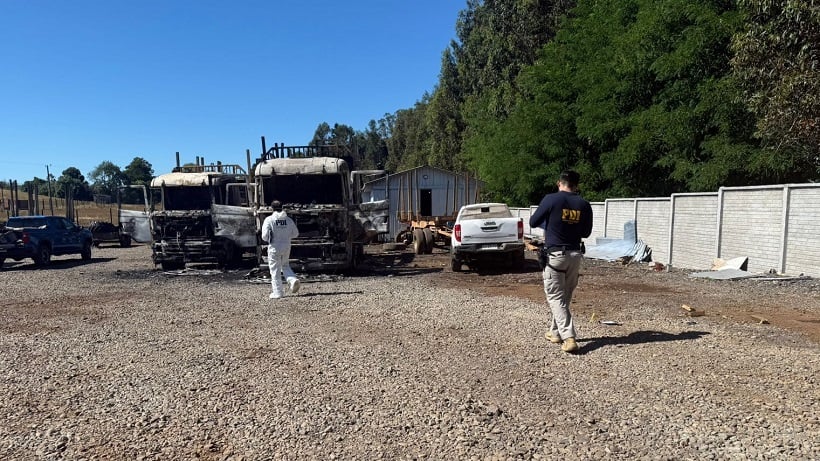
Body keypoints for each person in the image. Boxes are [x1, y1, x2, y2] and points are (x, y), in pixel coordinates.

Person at [529, 171, 593, 353]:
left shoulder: (551, 199)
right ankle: (555, 332)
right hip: (575, 255)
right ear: (577, 185)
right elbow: (586, 233)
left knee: (556, 297)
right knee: (564, 297)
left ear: (559, 183)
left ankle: (569, 337)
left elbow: (533, 222)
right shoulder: (584, 204)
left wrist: (551, 222)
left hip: (555, 256)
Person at [261, 200, 300, 299]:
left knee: (275, 269)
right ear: (282, 207)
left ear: (272, 208)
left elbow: (264, 236)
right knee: (285, 265)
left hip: (274, 247)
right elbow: (296, 234)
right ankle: (292, 280)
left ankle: (278, 292)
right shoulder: (288, 220)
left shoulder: (269, 220)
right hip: (286, 246)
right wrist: (286, 236)